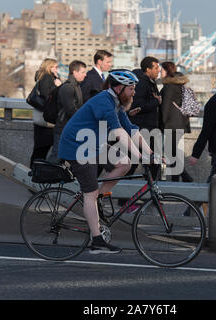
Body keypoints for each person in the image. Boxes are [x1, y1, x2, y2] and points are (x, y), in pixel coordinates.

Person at [58, 70, 156, 254]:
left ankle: (99, 200)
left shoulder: (117, 102)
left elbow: (131, 130)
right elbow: (119, 133)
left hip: (93, 144)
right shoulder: (104, 102)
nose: (134, 92)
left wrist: (152, 153)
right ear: (119, 88)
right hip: (77, 147)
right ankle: (97, 240)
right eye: (131, 88)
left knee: (124, 163)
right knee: (90, 192)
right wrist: (140, 156)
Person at [127, 56, 162, 180]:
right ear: (148, 69)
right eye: (156, 68)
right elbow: (137, 105)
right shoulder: (142, 83)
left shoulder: (150, 82)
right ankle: (124, 194)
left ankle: (149, 193)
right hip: (143, 129)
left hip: (149, 128)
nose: (159, 70)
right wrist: (156, 102)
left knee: (150, 163)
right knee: (138, 163)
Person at [160, 61, 194, 182]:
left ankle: (185, 178)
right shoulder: (179, 84)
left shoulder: (169, 86)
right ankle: (177, 180)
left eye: (162, 69)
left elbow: (165, 107)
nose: (160, 72)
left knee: (170, 153)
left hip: (172, 123)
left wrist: (162, 123)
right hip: (181, 123)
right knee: (172, 152)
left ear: (167, 70)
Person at [50, 60, 87, 163]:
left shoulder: (76, 86)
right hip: (63, 127)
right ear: (75, 72)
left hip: (70, 127)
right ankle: (46, 177)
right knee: (57, 157)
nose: (85, 75)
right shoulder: (68, 87)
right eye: (83, 72)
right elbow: (71, 109)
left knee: (64, 157)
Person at [30, 58, 62, 167]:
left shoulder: (45, 77)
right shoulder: (47, 77)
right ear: (50, 67)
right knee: (42, 150)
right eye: (56, 67)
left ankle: (36, 172)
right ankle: (36, 173)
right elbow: (48, 96)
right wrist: (58, 86)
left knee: (41, 149)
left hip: (43, 119)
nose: (57, 69)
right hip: (46, 120)